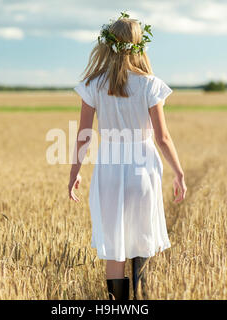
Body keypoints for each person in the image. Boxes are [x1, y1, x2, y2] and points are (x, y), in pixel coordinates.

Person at [68, 12, 187, 300]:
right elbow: (163, 138)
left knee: (115, 244)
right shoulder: (149, 84)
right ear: (139, 45)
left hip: (108, 170)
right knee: (142, 240)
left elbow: (84, 134)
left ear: (107, 46)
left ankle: (117, 305)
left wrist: (74, 173)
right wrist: (179, 174)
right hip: (143, 169)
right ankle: (141, 302)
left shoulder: (93, 84)